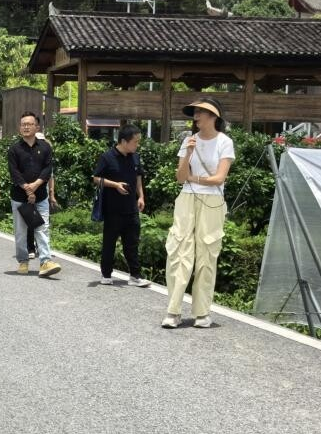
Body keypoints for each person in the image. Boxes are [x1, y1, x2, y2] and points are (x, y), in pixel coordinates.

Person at [162, 98, 235, 329]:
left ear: (214, 117)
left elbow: (219, 179)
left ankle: (202, 312)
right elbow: (181, 178)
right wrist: (188, 153)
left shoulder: (225, 142)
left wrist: (196, 178)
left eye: (202, 111)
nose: (196, 115)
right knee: (178, 250)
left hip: (212, 201)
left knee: (207, 253)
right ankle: (173, 311)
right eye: (196, 111)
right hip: (186, 197)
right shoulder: (188, 140)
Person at [93, 124, 149, 287]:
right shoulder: (107, 157)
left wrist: (141, 197)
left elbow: (139, 177)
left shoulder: (135, 157)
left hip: (131, 208)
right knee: (109, 242)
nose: (137, 145)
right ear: (124, 141)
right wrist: (115, 185)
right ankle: (106, 274)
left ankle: (135, 275)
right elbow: (96, 178)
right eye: (135, 142)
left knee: (132, 242)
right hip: (113, 209)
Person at [7, 112, 61, 278]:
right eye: (23, 124)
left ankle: (45, 261)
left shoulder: (45, 147)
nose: (26, 127)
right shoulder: (14, 149)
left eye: (29, 124)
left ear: (37, 127)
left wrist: (36, 185)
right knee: (21, 231)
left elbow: (47, 169)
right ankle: (23, 260)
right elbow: (14, 172)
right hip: (19, 196)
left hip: (41, 196)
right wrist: (27, 189)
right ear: (19, 127)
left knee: (42, 228)